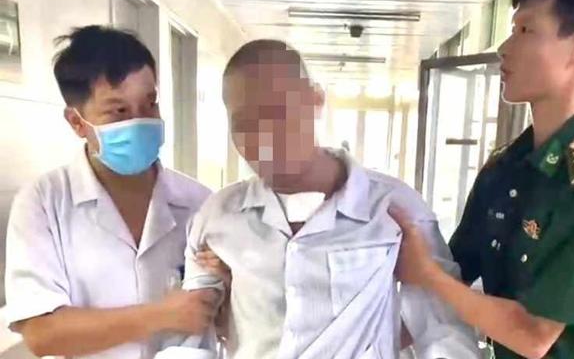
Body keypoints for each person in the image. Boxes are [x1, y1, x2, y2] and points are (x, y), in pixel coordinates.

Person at [158, 39, 480, 359]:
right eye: (244, 124)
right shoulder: (219, 216)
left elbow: (443, 329)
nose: (264, 137)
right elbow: (190, 336)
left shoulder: (392, 210)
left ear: (316, 100)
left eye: (278, 113)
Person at [390, 0, 574, 358]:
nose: (505, 48)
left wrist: (428, 274)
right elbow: (455, 274)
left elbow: (533, 336)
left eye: (526, 30)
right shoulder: (504, 170)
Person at [4, 25, 223, 359]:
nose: (141, 120)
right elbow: (41, 333)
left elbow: (234, 319)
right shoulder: (43, 204)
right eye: (119, 111)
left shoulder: (201, 203)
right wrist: (163, 315)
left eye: (150, 104)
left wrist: (230, 282)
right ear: (77, 122)